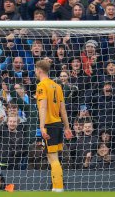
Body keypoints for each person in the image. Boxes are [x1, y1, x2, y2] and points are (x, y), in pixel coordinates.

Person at [35, 59, 73, 192]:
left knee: (52, 158)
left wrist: (41, 127)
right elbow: (63, 109)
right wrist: (67, 127)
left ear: (39, 70)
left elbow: (43, 107)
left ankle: (58, 188)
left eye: (35, 69)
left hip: (49, 124)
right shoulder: (57, 86)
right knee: (54, 156)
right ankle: (57, 187)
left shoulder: (41, 85)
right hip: (58, 124)